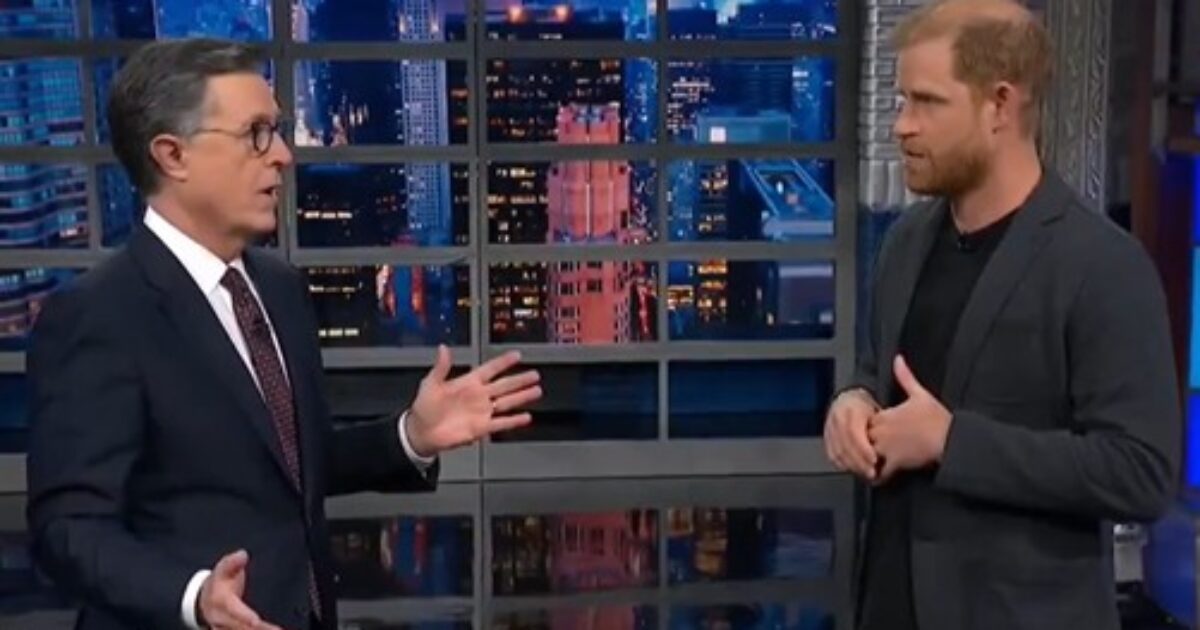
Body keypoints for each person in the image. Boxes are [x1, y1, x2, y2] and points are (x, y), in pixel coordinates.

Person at [25, 38, 542, 630]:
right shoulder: (99, 314)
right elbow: (68, 528)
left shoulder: (278, 288)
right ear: (173, 155)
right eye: (256, 134)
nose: (283, 155)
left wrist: (411, 436)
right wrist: (192, 597)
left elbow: (289, 463)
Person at [822, 1, 1180, 629]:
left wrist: (950, 441)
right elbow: (880, 371)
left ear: (1000, 106)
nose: (901, 126)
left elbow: (1139, 472)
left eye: (926, 102)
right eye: (902, 101)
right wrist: (852, 402)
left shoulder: (1102, 265)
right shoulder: (906, 242)